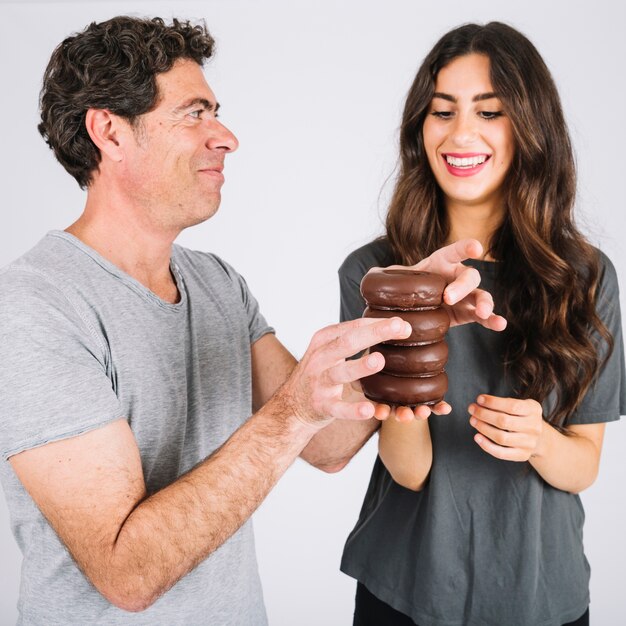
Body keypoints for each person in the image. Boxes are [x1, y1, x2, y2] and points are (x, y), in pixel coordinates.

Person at [0, 16, 506, 625]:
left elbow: (328, 443)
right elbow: (127, 573)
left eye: (217, 111)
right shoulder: (36, 307)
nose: (226, 136)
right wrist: (290, 411)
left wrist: (407, 317)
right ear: (109, 131)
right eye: (194, 113)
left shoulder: (216, 283)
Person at [337, 21, 625, 626]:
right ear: (421, 127)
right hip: (407, 592)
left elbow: (585, 465)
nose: (461, 133)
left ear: (529, 128)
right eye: (442, 112)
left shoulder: (587, 277)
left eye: (489, 112)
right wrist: (413, 335)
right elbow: (408, 471)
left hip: (542, 594)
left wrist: (539, 440)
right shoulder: (375, 275)